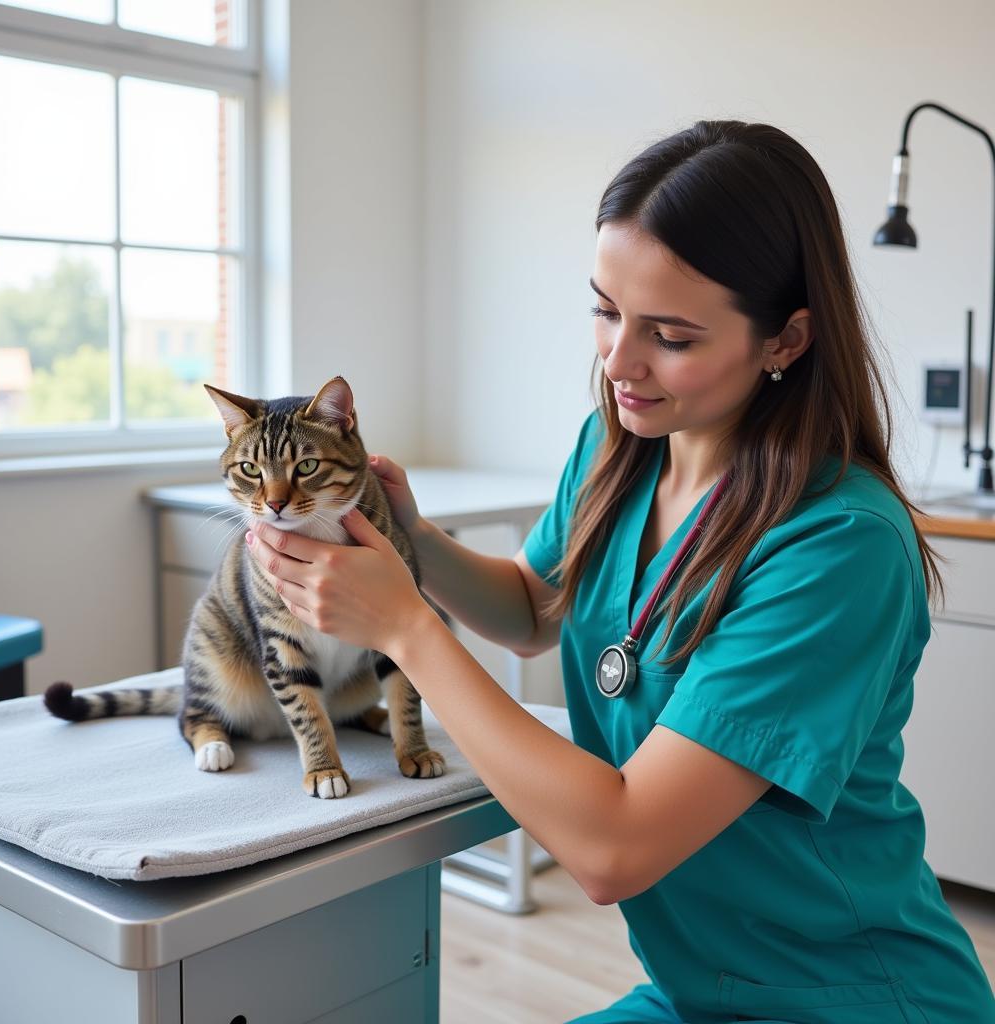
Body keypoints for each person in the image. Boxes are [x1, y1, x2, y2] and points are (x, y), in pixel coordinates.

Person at [246, 120, 995, 1023]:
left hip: (850, 999)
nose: (619, 362)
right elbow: (533, 607)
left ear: (786, 341)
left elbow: (612, 848)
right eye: (605, 309)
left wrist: (406, 626)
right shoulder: (623, 442)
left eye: (670, 335)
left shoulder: (839, 544)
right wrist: (409, 539)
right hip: (697, 991)